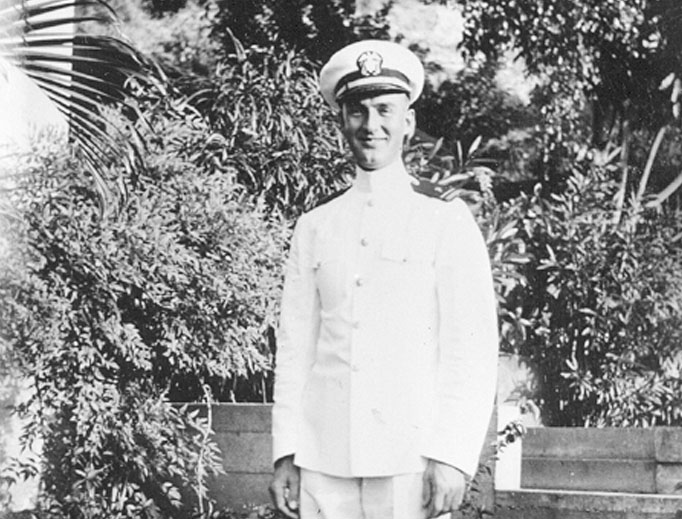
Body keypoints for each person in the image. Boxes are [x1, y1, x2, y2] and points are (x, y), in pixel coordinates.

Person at [269, 39, 499, 519]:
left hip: (410, 459)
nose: (371, 125)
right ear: (341, 123)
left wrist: (453, 455)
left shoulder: (445, 219)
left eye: (384, 110)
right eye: (357, 111)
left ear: (408, 122)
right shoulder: (316, 225)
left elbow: (470, 347)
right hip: (324, 457)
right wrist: (286, 451)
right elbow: (296, 348)